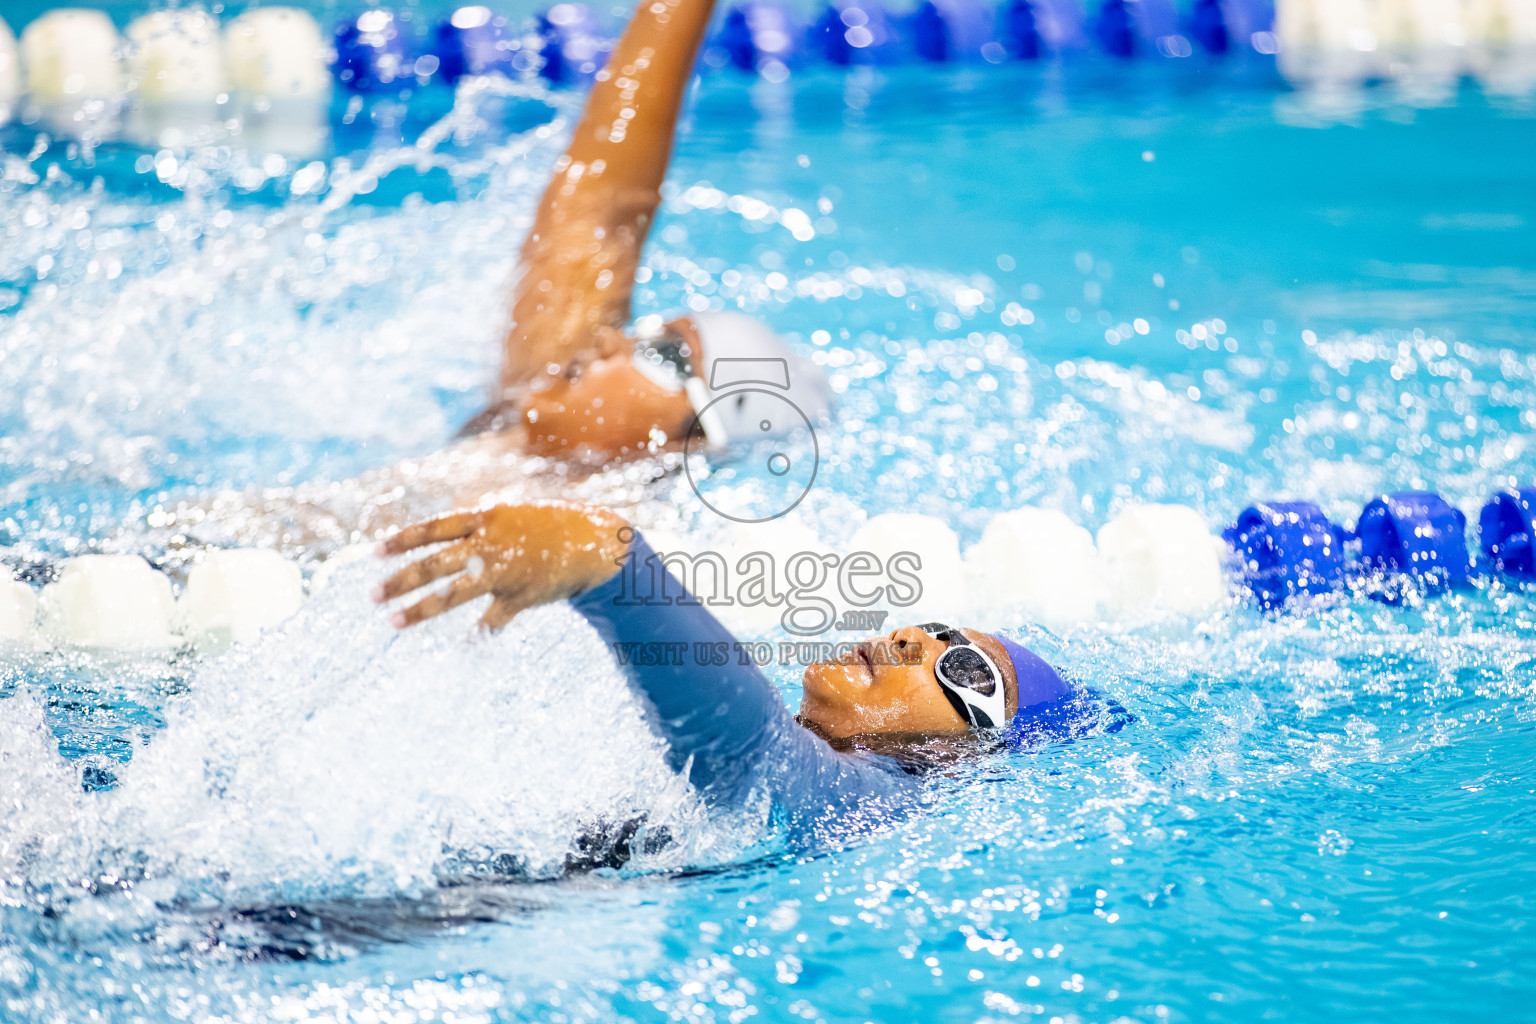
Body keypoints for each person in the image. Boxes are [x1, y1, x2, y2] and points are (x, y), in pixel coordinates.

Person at [161, 0, 829, 552]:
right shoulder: (526, 411)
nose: (610, 340)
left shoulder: (617, 548)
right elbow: (600, 211)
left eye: (661, 353)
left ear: (692, 435)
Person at [373, 502, 1121, 846]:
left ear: (968, 758)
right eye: (928, 628)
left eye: (962, 664)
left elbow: (751, 755)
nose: (908, 640)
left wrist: (613, 569)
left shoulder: (878, 805)